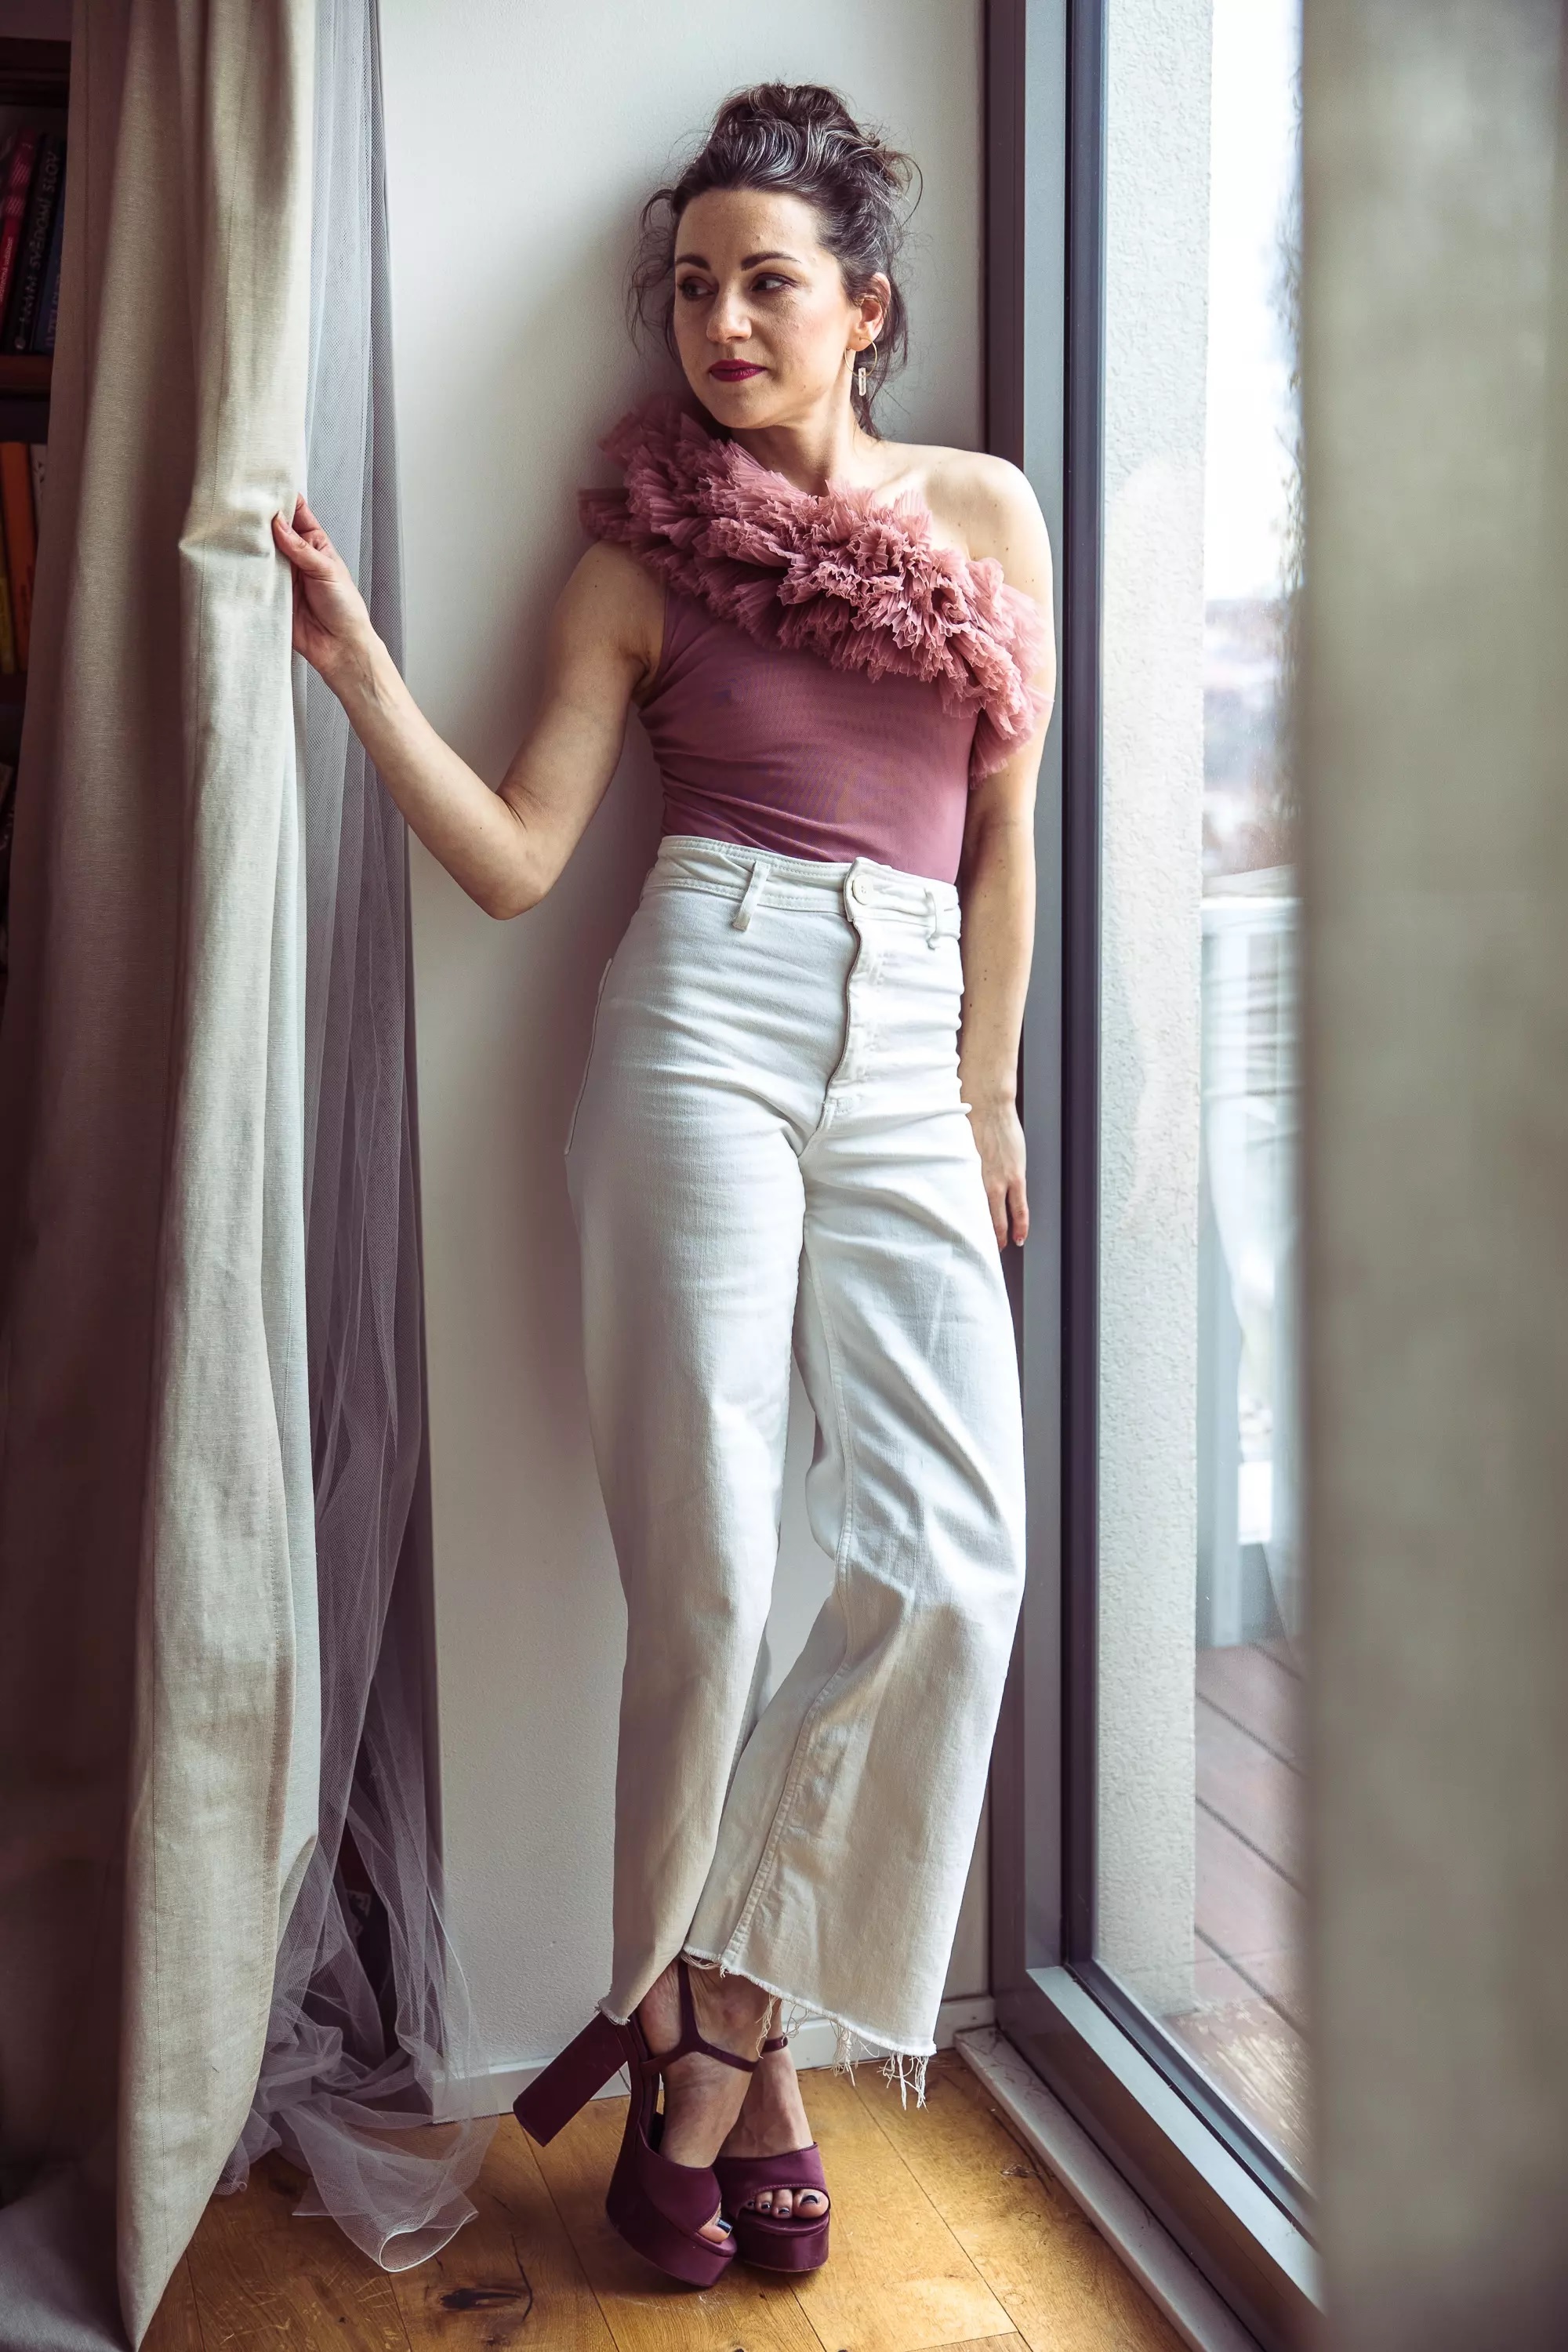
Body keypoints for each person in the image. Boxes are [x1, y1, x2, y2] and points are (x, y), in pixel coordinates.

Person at [273, 79, 1054, 2291]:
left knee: (956, 1562)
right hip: (700, 1015)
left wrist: (989, 1096)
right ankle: (740, 2070)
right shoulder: (636, 561)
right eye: (693, 286)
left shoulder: (987, 514)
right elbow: (521, 863)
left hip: (911, 1042)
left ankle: (709, 2010)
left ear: (865, 308)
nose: (721, 322)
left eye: (767, 283)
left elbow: (1007, 843)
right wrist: (356, 669)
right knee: (705, 1576)